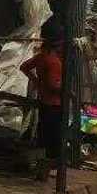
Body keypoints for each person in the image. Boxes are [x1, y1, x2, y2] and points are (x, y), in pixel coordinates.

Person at [21, 36, 64, 181]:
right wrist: (66, 91)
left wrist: (36, 81)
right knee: (54, 137)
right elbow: (53, 85)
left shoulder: (40, 57)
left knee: (44, 134)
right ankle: (49, 168)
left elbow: (24, 67)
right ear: (56, 47)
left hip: (44, 101)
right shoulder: (53, 61)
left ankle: (43, 168)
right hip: (54, 104)